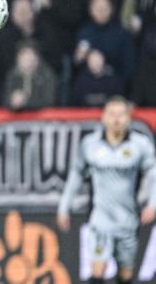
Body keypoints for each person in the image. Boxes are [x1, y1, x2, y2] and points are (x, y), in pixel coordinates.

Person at [57, 96, 156, 284]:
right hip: (100, 220)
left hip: (128, 220)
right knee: (97, 270)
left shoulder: (140, 145)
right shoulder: (90, 145)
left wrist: (153, 204)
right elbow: (76, 175)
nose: (116, 119)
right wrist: (64, 207)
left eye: (121, 114)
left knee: (125, 274)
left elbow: (154, 173)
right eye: (112, 114)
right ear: (104, 117)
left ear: (129, 118)